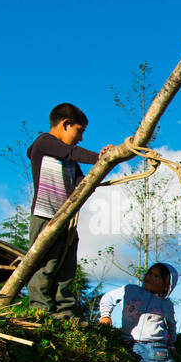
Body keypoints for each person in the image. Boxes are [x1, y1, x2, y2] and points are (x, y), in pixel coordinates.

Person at [26, 103, 127, 317]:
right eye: (79, 131)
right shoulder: (44, 143)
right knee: (44, 264)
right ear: (65, 124)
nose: (80, 137)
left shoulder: (69, 160)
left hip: (67, 220)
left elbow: (84, 182)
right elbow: (71, 151)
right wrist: (98, 158)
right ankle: (41, 310)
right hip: (45, 215)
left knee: (66, 265)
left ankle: (64, 312)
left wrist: (103, 164)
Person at [98, 263, 181, 362]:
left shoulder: (166, 304)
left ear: (166, 285)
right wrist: (105, 315)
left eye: (156, 276)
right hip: (133, 346)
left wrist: (173, 345)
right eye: (149, 273)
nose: (149, 276)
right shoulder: (130, 291)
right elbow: (107, 298)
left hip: (159, 349)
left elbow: (171, 326)